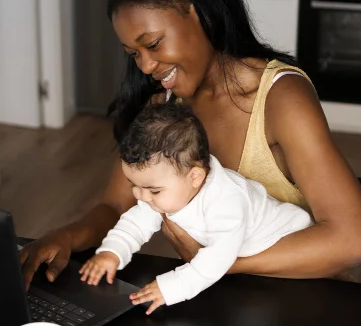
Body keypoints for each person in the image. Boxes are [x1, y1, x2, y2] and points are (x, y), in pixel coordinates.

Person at [20, 0, 361, 292]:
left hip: (305, 301)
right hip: (216, 296)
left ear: (198, 11)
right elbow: (115, 207)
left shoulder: (282, 99)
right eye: (134, 54)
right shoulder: (164, 108)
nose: (144, 66)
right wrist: (63, 237)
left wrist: (222, 263)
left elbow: (352, 241)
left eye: (153, 43)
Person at [79, 102, 312, 314]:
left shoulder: (226, 200)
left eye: (153, 190)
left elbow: (216, 259)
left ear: (195, 177)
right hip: (249, 262)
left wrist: (171, 287)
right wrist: (112, 252)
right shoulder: (166, 188)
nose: (140, 196)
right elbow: (136, 222)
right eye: (134, 185)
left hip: (290, 247)